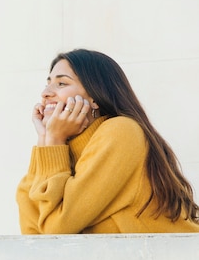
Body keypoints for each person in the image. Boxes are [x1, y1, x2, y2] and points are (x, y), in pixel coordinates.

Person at [16, 48, 199, 234]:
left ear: (94, 97)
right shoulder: (63, 148)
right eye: (48, 83)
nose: (45, 93)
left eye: (61, 83)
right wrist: (44, 140)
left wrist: (54, 140)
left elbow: (55, 230)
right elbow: (33, 233)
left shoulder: (121, 131)